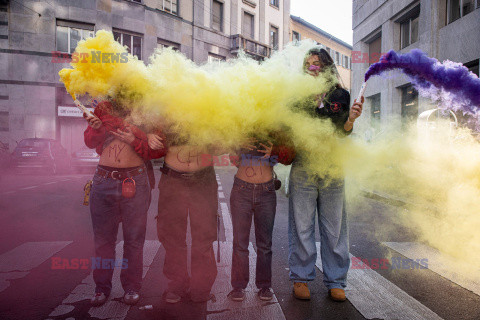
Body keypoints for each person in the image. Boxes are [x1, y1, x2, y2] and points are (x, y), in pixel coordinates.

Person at [288, 48, 363, 302]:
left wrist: (351, 120)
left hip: (332, 166)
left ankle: (336, 281)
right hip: (303, 165)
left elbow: (342, 132)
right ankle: (301, 277)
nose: (312, 67)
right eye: (308, 63)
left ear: (327, 66)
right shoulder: (297, 95)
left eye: (317, 63)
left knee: (334, 228)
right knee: (302, 225)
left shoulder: (340, 94)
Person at [84, 101, 166, 306]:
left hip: (135, 180)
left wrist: (136, 138)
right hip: (104, 180)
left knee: (134, 240)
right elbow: (89, 141)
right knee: (103, 241)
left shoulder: (150, 111)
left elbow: (157, 151)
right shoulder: (103, 108)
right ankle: (101, 288)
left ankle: (131, 287)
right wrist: (97, 130)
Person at [148, 133, 219, 303]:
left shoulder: (214, 110)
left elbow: (224, 144)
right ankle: (176, 284)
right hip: (172, 179)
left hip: (203, 180)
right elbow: (145, 125)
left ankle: (200, 287)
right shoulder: (166, 110)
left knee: (203, 236)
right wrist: (148, 135)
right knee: (172, 236)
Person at [227, 135, 295, 302]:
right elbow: (230, 155)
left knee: (265, 243)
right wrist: (238, 143)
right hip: (241, 188)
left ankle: (265, 286)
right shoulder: (240, 122)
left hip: (266, 191)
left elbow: (289, 156)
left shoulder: (275, 124)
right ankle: (238, 286)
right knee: (240, 242)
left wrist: (275, 150)